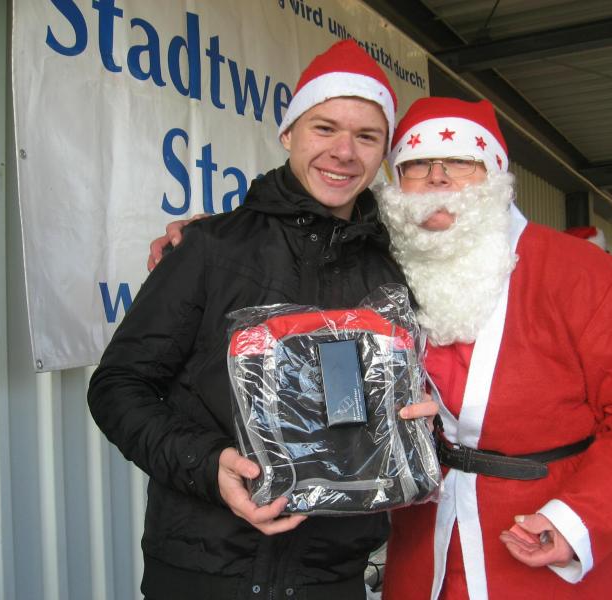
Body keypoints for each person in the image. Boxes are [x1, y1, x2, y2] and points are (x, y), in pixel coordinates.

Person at [87, 39, 436, 600]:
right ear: (288, 133)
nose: (344, 152)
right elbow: (117, 387)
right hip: (203, 572)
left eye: (367, 136)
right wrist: (209, 466)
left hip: (330, 577)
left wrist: (423, 422)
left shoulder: (394, 272)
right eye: (325, 128)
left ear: (383, 154)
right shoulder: (210, 248)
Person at [375, 97, 612, 599]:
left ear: (495, 173)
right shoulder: (381, 272)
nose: (437, 178)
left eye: (459, 160)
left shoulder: (582, 272)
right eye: (417, 164)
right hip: (423, 548)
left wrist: (579, 517)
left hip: (538, 540)